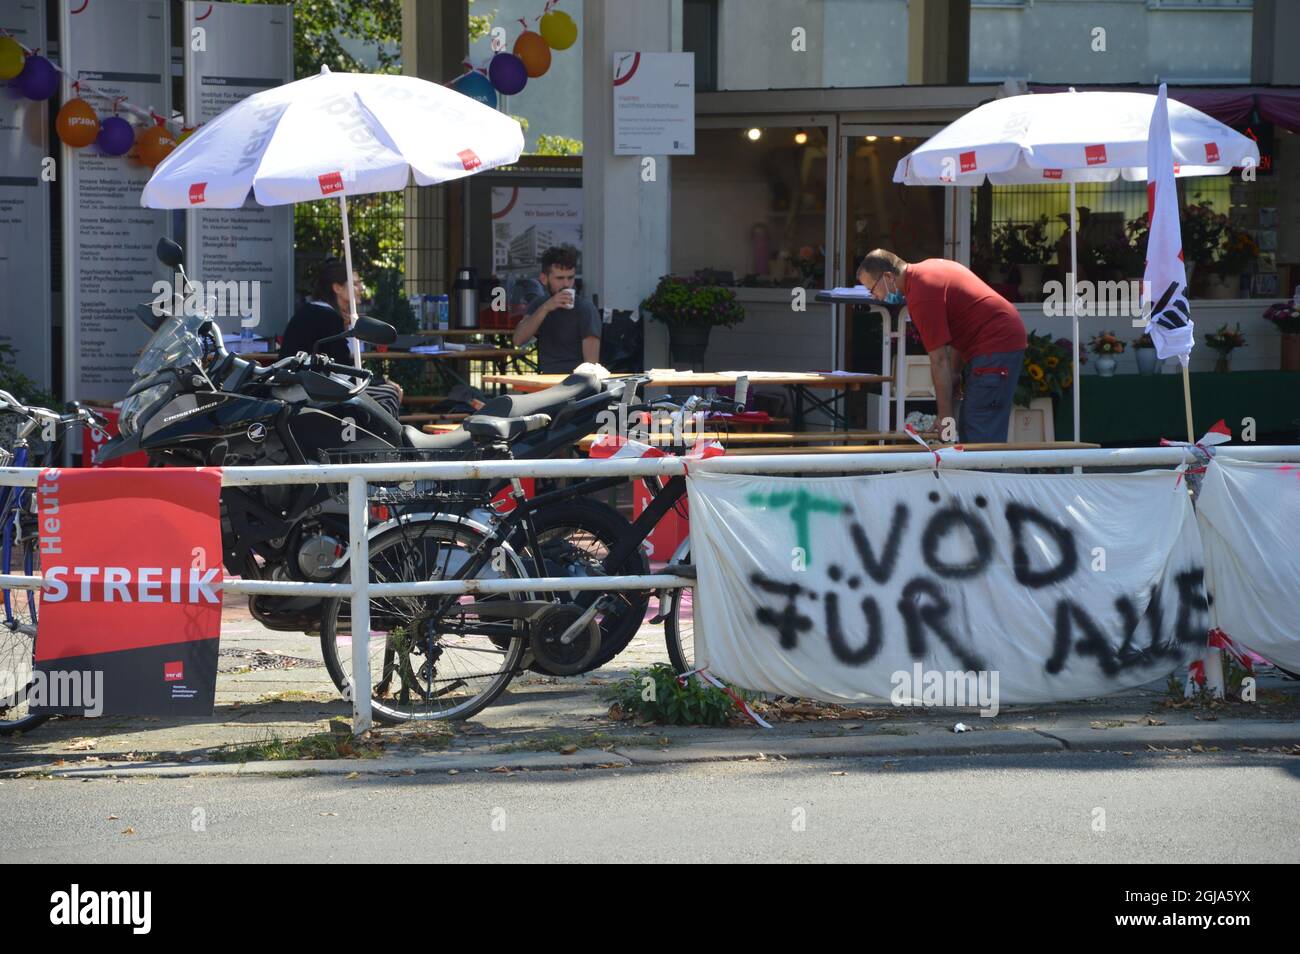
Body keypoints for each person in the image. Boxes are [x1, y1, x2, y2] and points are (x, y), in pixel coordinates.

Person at [856, 249, 1027, 444]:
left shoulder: (921, 294)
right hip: (1001, 337)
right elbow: (960, 329)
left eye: (873, 289)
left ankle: (987, 473)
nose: (874, 297)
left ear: (888, 276)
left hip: (997, 342)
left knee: (979, 430)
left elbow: (938, 360)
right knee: (973, 426)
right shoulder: (929, 269)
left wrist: (945, 419)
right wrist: (955, 374)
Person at [282, 258, 403, 417]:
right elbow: (343, 367)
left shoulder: (315, 311)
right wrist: (382, 382)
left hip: (304, 385)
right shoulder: (327, 316)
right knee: (390, 393)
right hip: (310, 390)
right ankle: (382, 440)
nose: (361, 288)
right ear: (337, 287)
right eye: (355, 284)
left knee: (385, 391)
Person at [511, 245, 601, 374]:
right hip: (546, 378)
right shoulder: (540, 304)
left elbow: (591, 366)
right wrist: (546, 308)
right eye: (559, 278)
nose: (566, 284)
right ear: (544, 279)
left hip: (574, 382)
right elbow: (518, 340)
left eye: (570, 278)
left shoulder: (585, 309)